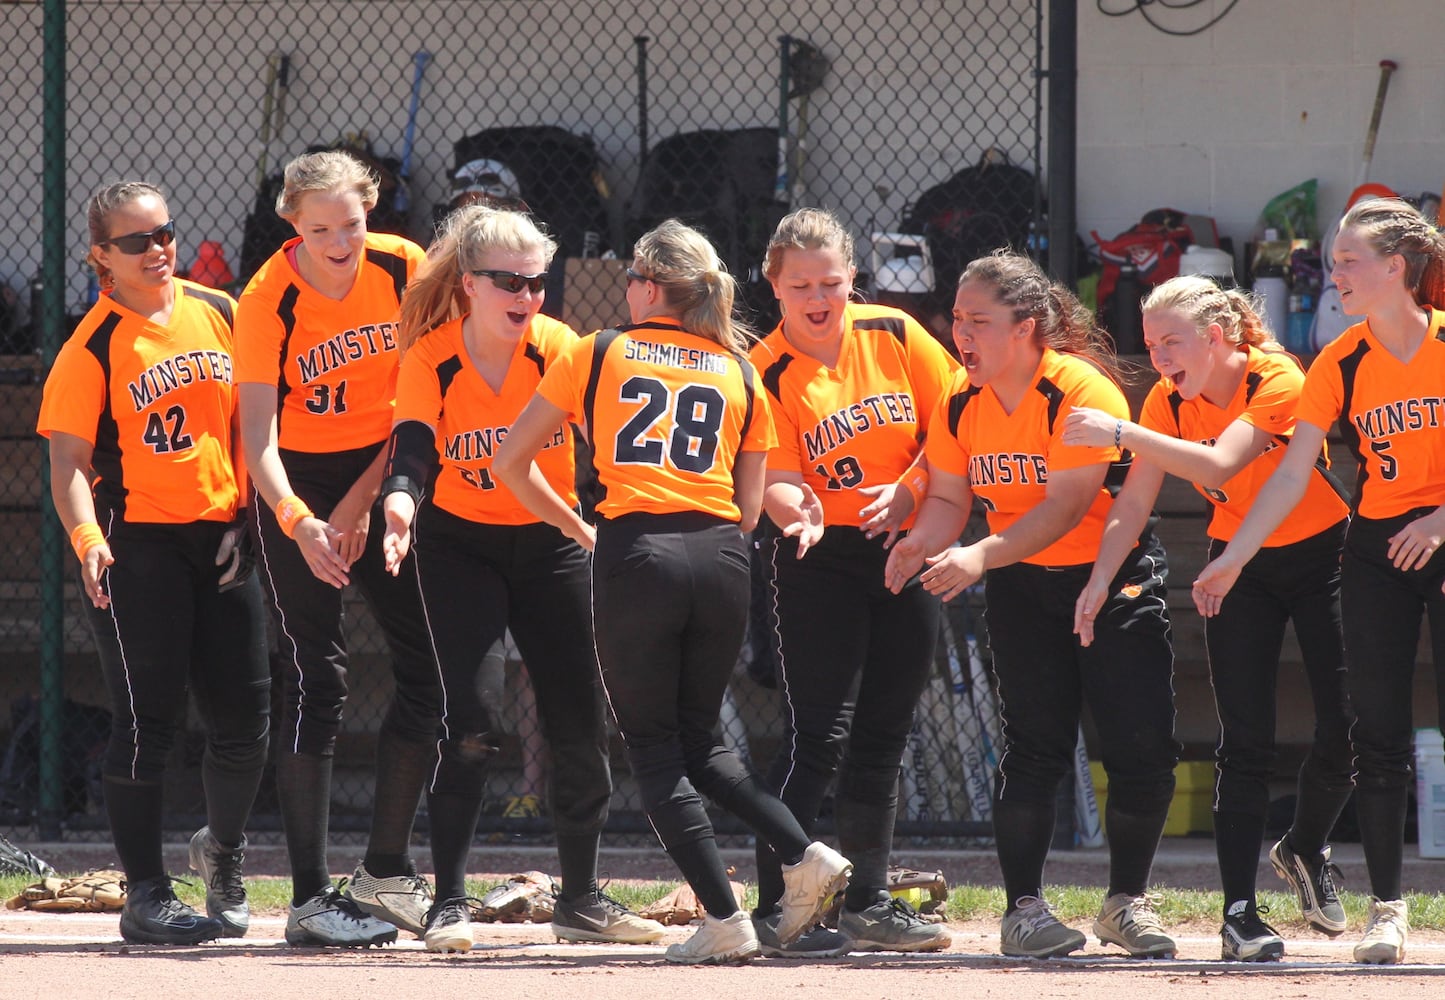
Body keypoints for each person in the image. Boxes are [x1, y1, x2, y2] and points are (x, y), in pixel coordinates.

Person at [493, 218, 850, 965]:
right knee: (702, 744)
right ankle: (801, 851)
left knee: (654, 750)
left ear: (652, 286)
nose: (624, 287)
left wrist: (574, 523)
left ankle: (724, 919)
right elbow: (751, 510)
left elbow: (510, 461)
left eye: (632, 276)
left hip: (637, 550)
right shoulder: (740, 365)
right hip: (722, 556)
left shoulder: (598, 351)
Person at [377, 203, 663, 952]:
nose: (527, 295)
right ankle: (447, 901)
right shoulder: (431, 356)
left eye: (537, 281)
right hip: (459, 548)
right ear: (470, 284)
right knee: (469, 729)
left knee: (578, 723)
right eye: (509, 281)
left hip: (551, 545)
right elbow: (410, 452)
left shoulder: (561, 348)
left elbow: (610, 446)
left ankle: (580, 898)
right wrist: (400, 507)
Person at [885, 250, 1181, 960]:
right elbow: (951, 498)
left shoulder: (1078, 390)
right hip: (1023, 582)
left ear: (1024, 327)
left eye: (977, 320)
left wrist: (978, 556)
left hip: (1110, 579)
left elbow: (1065, 505)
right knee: (1032, 749)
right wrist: (916, 542)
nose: (960, 333)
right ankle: (1023, 911)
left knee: (1139, 747)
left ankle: (1124, 905)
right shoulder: (958, 398)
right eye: (956, 318)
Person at [1061, 274, 1355, 961]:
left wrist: (1120, 429)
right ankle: (1240, 915)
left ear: (1215, 337)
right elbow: (1132, 502)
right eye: (1150, 344)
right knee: (1242, 743)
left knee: (1348, 729)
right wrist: (1098, 580)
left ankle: (1305, 846)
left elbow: (1222, 462)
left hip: (1322, 556)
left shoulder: (1275, 377)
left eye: (1171, 342)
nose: (1158, 358)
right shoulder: (1167, 399)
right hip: (1236, 567)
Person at [1195, 197, 1445, 965]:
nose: (1331, 273)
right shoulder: (1339, 360)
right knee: (1375, 733)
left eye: (1345, 262)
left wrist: (1441, 520)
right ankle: (1386, 910)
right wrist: (1233, 554)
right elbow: (1290, 473)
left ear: (1394, 268)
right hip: (1374, 549)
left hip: (1438, 533)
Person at [37, 182, 270, 944]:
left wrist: (246, 513)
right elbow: (68, 463)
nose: (157, 249)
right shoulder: (93, 345)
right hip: (136, 545)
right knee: (148, 722)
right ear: (101, 255)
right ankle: (145, 893)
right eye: (135, 241)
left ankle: (224, 857)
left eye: (164, 232)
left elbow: (248, 420)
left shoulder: (219, 311)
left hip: (221, 536)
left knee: (244, 718)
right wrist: (87, 542)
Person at [234, 150, 439, 947]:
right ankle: (311, 898)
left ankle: (385, 869)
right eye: (318, 227)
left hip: (388, 473)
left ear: (371, 209)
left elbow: (419, 402)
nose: (338, 239)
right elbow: (259, 440)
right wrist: (301, 523)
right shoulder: (266, 297)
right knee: (315, 677)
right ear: (293, 224)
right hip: (298, 487)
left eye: (350, 221)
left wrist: (362, 506)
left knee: (426, 672)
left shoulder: (403, 265)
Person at [748, 208, 957, 955]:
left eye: (830, 281)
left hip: (905, 547)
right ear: (772, 285)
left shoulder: (893, 335)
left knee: (883, 735)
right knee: (818, 736)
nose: (817, 295)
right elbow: (771, 475)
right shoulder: (764, 365)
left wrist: (911, 490)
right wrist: (792, 508)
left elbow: (954, 424)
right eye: (799, 282)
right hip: (817, 559)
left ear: (851, 280)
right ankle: (780, 905)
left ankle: (868, 899)